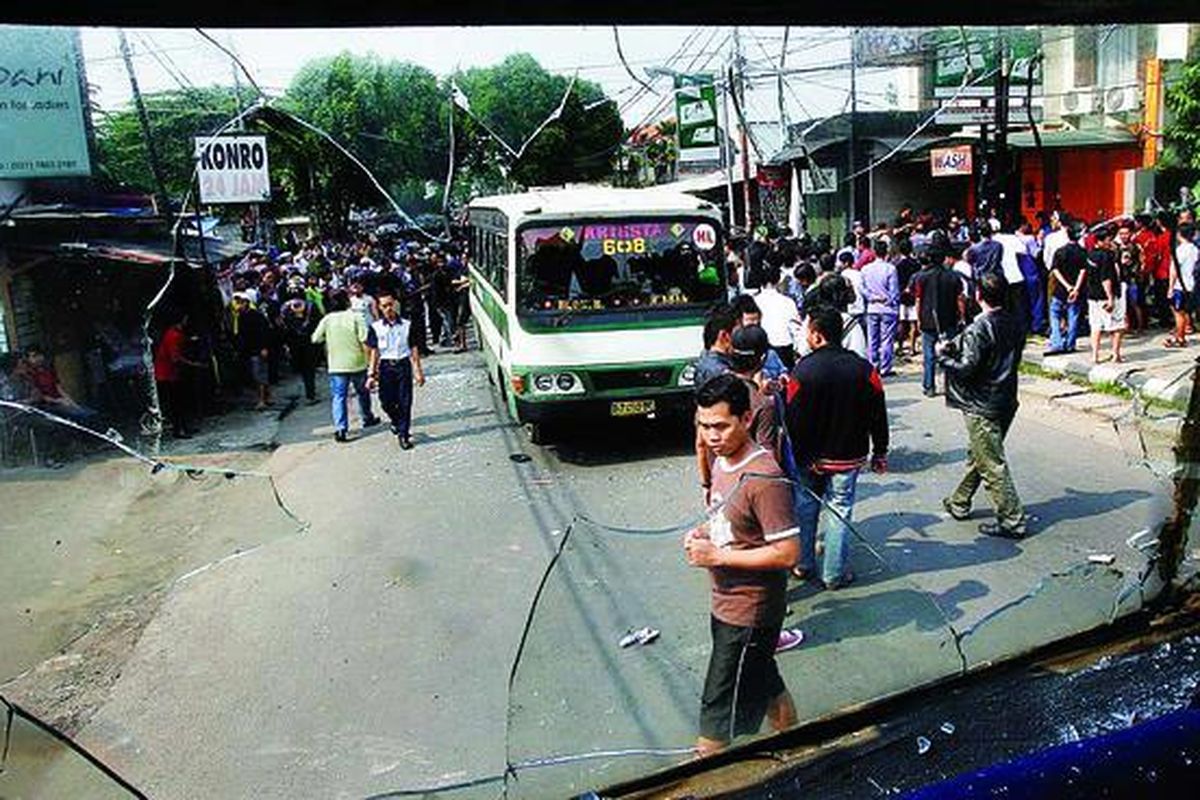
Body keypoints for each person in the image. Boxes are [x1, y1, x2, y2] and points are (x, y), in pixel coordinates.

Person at [685, 373, 800, 757]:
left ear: (747, 419)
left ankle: (708, 773)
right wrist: (704, 532)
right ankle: (800, 752)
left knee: (716, 710)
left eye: (720, 426)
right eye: (704, 426)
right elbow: (729, 519)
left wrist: (717, 557)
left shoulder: (764, 477)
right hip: (725, 603)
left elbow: (787, 553)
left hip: (748, 613)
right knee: (766, 681)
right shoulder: (723, 462)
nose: (711, 436)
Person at [784, 308, 889, 589]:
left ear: (816, 335)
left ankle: (803, 564)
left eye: (808, 330)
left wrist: (804, 457)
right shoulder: (865, 369)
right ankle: (833, 574)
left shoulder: (802, 371)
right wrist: (880, 451)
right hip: (849, 456)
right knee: (840, 511)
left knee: (805, 508)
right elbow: (878, 412)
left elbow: (792, 420)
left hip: (811, 458)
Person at [937, 274, 1028, 539]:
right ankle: (959, 501)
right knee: (981, 454)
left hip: (982, 404)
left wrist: (944, 358)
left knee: (991, 462)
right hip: (1005, 398)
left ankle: (1012, 520)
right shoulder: (1015, 323)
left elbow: (966, 368)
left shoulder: (981, 328)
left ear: (979, 297)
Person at [311, 290, 381, 442]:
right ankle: (367, 417)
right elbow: (364, 338)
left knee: (339, 397)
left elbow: (315, 338)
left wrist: (328, 339)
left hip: (336, 365)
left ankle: (340, 428)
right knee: (363, 392)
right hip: (357, 362)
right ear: (347, 302)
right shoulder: (356, 317)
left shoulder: (327, 319)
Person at [367, 290, 426, 450]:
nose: (388, 309)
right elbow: (374, 351)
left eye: (391, 305)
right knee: (386, 402)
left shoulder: (407, 325)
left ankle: (403, 434)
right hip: (386, 368)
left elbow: (413, 349)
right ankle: (395, 421)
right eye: (384, 306)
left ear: (396, 305)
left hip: (403, 365)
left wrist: (418, 371)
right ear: (379, 308)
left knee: (405, 402)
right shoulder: (376, 327)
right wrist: (371, 374)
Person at [913, 242, 966, 397]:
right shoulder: (953, 276)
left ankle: (929, 386)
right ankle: (951, 386)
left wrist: (919, 319)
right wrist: (961, 316)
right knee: (949, 353)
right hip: (949, 319)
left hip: (928, 319)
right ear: (943, 258)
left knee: (929, 355)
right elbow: (960, 299)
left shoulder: (921, 277)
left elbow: (918, 300)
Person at [153, 314, 203, 438]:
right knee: (176, 403)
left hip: (171, 373)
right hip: (168, 374)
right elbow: (175, 358)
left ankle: (183, 427)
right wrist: (194, 364)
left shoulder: (174, 333)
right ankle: (178, 430)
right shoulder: (173, 335)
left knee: (180, 402)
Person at [1046, 222, 1088, 355]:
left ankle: (1057, 342)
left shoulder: (1060, 251)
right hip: (1077, 290)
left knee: (1054, 315)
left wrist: (1067, 286)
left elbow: (1055, 270)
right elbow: (1083, 271)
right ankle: (1070, 344)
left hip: (1060, 290)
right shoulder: (1082, 252)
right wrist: (1075, 288)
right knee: (1073, 316)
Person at [1086, 225, 1126, 364]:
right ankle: (1115, 354)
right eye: (1108, 240)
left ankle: (1095, 356)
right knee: (1116, 326)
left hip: (1092, 295)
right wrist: (1110, 298)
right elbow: (1106, 278)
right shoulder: (1106, 257)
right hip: (1106, 296)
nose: (1110, 242)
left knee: (1095, 326)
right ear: (1100, 241)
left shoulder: (1090, 255)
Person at [861, 239, 900, 376]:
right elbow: (894, 292)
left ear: (874, 252)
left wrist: (873, 298)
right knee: (887, 339)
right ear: (886, 252)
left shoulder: (865, 269)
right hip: (888, 309)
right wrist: (888, 301)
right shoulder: (891, 268)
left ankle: (873, 366)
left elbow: (863, 289)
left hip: (872, 308)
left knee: (872, 339)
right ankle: (885, 367)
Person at [750, 264, 802, 369]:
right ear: (778, 280)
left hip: (760, 351)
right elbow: (796, 329)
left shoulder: (754, 301)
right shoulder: (788, 302)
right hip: (784, 349)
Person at [230, 291, 272, 410]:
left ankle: (262, 400)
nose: (239, 305)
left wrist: (264, 347)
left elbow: (264, 332)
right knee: (256, 375)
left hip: (258, 350)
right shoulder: (241, 317)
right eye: (238, 302)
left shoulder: (256, 315)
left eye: (241, 302)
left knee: (259, 375)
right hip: (248, 351)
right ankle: (266, 398)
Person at [731, 295, 788, 381]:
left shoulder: (770, 352)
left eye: (757, 320)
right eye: (750, 320)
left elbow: (782, 370)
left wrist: (782, 377)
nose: (755, 324)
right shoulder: (735, 351)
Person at [279, 292, 322, 404]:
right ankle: (310, 393)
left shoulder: (285, 307)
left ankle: (309, 392)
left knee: (304, 368)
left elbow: (283, 327)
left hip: (297, 342)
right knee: (308, 369)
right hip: (307, 342)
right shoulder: (311, 306)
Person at [1169, 222, 1200, 348]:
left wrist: (1170, 287)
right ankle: (1180, 335)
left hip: (1180, 286)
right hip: (1191, 284)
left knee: (1178, 313)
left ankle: (1180, 338)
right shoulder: (1195, 249)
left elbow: (1174, 270)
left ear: (1179, 234)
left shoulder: (1180, 250)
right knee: (1184, 312)